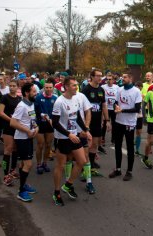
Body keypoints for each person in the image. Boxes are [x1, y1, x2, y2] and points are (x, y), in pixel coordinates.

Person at [52, 77, 92, 206]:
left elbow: (78, 117)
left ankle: (68, 185)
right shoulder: (59, 102)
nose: (76, 87)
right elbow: (55, 123)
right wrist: (68, 134)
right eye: (74, 85)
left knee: (82, 161)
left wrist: (86, 130)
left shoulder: (76, 99)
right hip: (63, 138)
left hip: (75, 135)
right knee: (60, 166)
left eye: (77, 85)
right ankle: (56, 192)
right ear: (66, 87)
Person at [108, 71, 142, 181]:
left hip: (129, 123)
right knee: (117, 145)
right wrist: (115, 108)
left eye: (125, 77)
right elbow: (115, 102)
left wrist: (122, 110)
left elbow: (137, 109)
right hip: (118, 122)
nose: (123, 78)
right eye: (123, 77)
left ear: (131, 79)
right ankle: (118, 169)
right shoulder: (119, 89)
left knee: (129, 147)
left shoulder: (136, 91)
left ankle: (129, 171)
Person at [10, 83, 38, 202]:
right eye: (33, 91)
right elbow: (13, 123)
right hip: (21, 138)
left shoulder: (31, 104)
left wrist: (36, 128)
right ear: (27, 93)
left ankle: (24, 184)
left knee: (23, 163)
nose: (36, 93)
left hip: (29, 137)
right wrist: (27, 130)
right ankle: (21, 191)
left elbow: (32, 119)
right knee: (28, 164)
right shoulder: (21, 106)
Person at [81, 69, 111, 176]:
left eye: (101, 76)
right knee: (87, 145)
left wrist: (107, 120)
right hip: (87, 122)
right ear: (92, 77)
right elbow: (81, 107)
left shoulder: (101, 90)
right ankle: (84, 165)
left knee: (94, 144)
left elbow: (104, 105)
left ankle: (92, 164)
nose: (100, 78)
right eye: (98, 76)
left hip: (98, 121)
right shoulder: (85, 90)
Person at [0, 80, 22, 186]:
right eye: (10, 86)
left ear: (17, 87)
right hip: (8, 127)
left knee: (16, 149)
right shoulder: (5, 97)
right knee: (8, 150)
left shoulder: (19, 99)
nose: (12, 87)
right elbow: (0, 113)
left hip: (17, 127)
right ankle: (5, 175)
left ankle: (12, 170)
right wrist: (10, 120)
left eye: (14, 86)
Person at [34, 81, 58, 175]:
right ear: (44, 88)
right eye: (46, 87)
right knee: (40, 144)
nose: (48, 89)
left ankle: (45, 163)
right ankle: (39, 164)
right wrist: (41, 114)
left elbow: (57, 111)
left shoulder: (55, 98)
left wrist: (53, 120)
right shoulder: (38, 97)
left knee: (48, 145)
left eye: (50, 87)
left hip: (50, 125)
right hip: (40, 124)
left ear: (53, 88)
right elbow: (34, 110)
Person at [101, 72, 119, 144]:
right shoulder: (103, 87)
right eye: (107, 79)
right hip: (106, 108)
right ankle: (102, 138)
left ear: (113, 80)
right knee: (105, 123)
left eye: (110, 79)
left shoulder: (116, 87)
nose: (108, 80)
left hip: (114, 108)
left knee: (114, 124)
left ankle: (113, 139)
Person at [134, 81, 144, 155]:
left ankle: (137, 150)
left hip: (139, 116)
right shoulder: (132, 93)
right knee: (131, 133)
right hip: (132, 116)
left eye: (140, 88)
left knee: (139, 133)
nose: (138, 89)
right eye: (137, 87)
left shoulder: (141, 95)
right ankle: (131, 148)